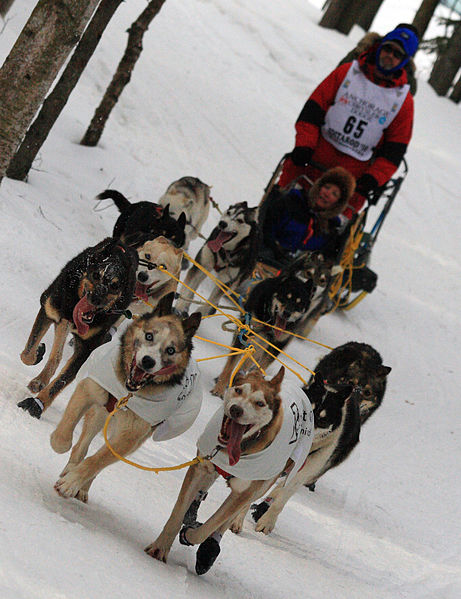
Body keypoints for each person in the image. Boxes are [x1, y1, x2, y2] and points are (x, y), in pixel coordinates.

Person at [278, 24, 419, 222]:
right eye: (387, 48)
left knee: (331, 229)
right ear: (379, 46)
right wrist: (305, 144)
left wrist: (373, 178)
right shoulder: (348, 71)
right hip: (315, 154)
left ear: (404, 61)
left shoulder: (403, 100)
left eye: (397, 54)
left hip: (354, 174)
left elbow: (394, 150)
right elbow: (313, 110)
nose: (390, 56)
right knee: (279, 205)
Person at [260, 166, 355, 265]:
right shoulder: (291, 202)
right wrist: (277, 253)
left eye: (334, 194)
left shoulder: (330, 230)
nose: (327, 194)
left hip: (297, 271)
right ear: (318, 187)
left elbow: (324, 259)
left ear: (338, 203)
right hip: (267, 256)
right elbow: (266, 229)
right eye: (326, 187)